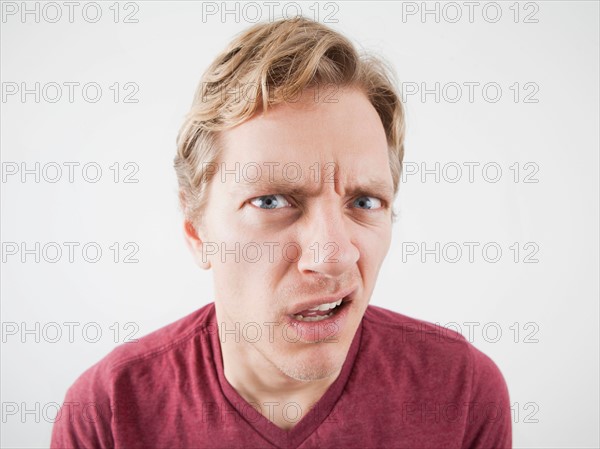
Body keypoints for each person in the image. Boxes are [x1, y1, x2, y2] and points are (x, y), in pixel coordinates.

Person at [51, 17, 511, 448]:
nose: (333, 256)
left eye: (364, 202)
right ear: (196, 231)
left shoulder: (463, 394)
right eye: (271, 202)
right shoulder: (106, 414)